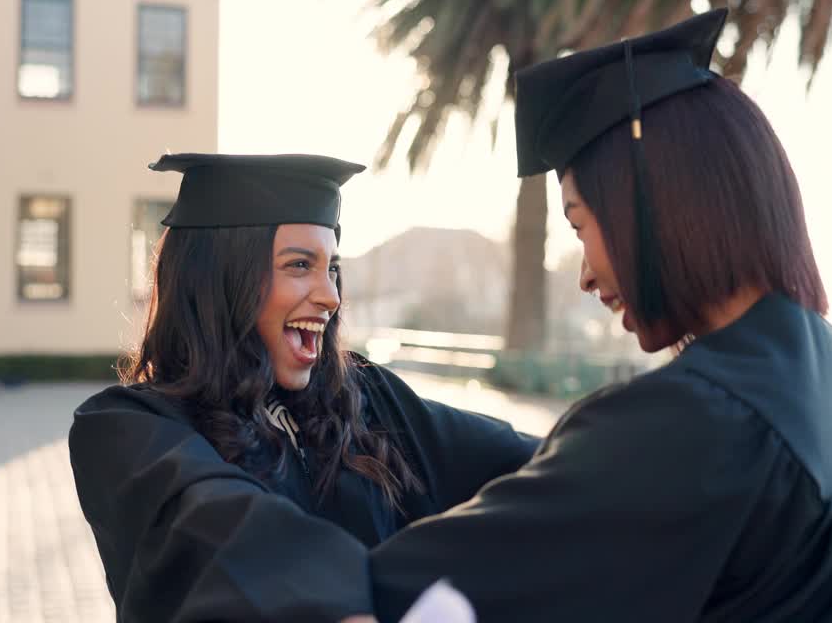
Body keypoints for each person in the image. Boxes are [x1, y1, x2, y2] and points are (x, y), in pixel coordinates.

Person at [368, 9, 832, 622]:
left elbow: (411, 584)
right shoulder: (807, 371)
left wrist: (266, 537)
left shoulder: (702, 422)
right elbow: (584, 471)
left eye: (580, 226)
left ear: (651, 208)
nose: (583, 274)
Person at [68, 153, 537, 622]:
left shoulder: (364, 400)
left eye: (332, 268)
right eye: (298, 265)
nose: (331, 296)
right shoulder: (125, 430)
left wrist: (604, 450)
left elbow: (527, 465)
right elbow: (220, 524)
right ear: (221, 280)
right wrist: (338, 607)